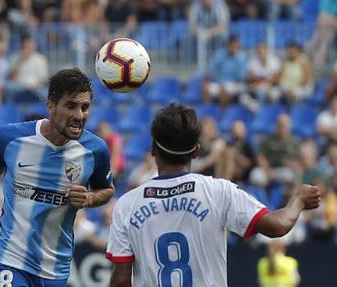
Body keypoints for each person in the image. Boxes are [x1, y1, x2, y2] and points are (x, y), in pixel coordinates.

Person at [105, 103, 321, 287]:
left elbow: (121, 281)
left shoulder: (127, 204)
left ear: (153, 149)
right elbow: (277, 226)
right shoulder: (219, 190)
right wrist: (298, 199)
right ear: (197, 150)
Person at [0, 68, 114, 287]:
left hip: (54, 267)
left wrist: (89, 198)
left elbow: (106, 190)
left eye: (85, 107)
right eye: (71, 106)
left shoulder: (95, 150)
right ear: (51, 105)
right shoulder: (12, 138)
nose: (79, 115)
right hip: (10, 259)